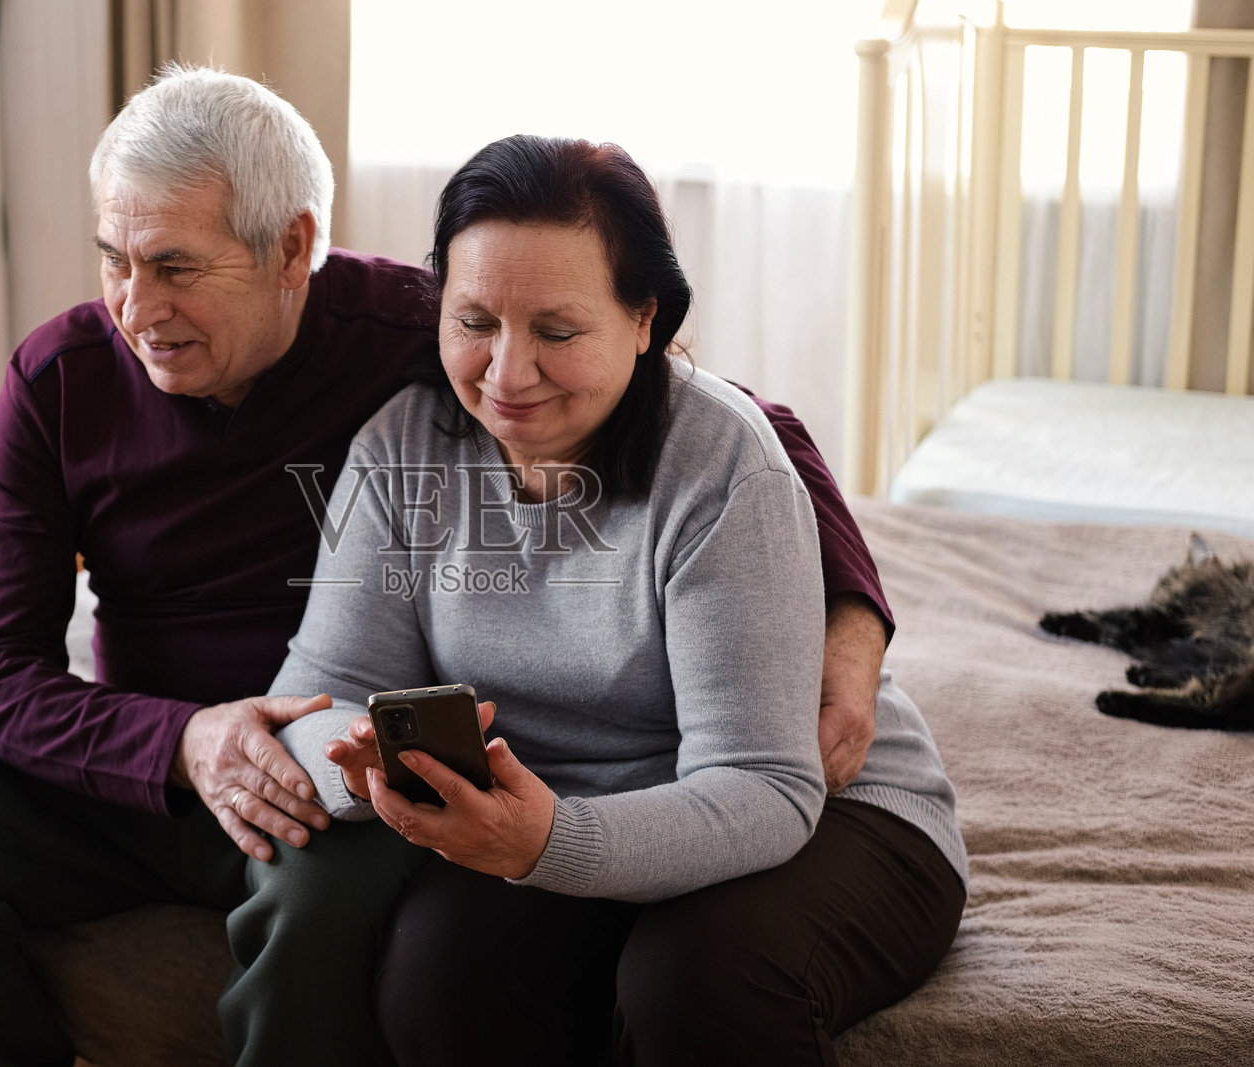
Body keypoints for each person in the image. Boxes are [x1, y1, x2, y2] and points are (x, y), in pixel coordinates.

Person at [0, 66, 897, 1066]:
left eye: (176, 265)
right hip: (168, 752)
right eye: (113, 260)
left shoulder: (412, 332)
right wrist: (182, 740)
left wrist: (853, 620)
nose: (135, 307)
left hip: (341, 769)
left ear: (292, 249)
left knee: (355, 925)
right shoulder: (62, 376)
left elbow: (716, 414)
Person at [243, 134, 969, 1066]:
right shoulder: (403, 447)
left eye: (556, 331)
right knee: (435, 976)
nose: (506, 373)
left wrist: (551, 839)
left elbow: (765, 785)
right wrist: (357, 767)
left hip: (829, 808)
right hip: (564, 813)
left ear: (643, 322)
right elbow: (320, 689)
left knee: (689, 982)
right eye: (474, 321)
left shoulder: (719, 464)